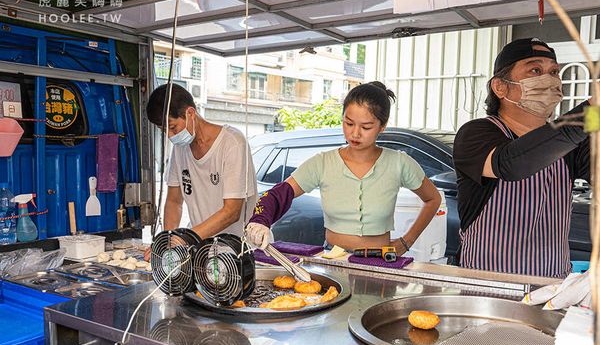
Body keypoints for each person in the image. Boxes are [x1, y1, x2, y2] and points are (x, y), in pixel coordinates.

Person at [245, 81, 441, 255]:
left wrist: (407, 242)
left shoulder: (399, 163)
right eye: (348, 123)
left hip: (381, 258)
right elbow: (280, 194)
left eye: (366, 127)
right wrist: (260, 220)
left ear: (382, 126)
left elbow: (433, 198)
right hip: (333, 257)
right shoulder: (322, 163)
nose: (355, 133)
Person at [453, 38, 590, 278]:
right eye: (535, 70)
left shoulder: (569, 142)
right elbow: (511, 164)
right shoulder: (476, 133)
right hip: (486, 287)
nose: (549, 79)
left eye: (554, 72)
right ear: (500, 87)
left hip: (551, 286)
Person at [144, 84, 257, 260]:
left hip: (239, 252)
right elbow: (174, 202)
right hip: (203, 251)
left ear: (190, 113)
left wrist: (186, 238)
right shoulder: (180, 150)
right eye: (164, 130)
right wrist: (167, 241)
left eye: (173, 128)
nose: (170, 136)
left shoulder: (232, 143)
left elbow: (232, 211)